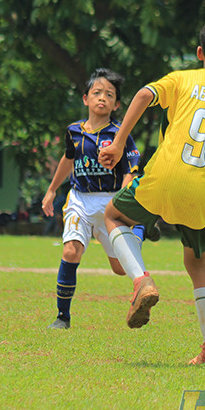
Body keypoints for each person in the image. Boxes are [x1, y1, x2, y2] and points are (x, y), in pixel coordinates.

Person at [99, 17, 205, 366]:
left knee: (112, 215)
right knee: (198, 262)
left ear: (200, 52)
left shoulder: (183, 79)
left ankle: (141, 281)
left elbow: (143, 94)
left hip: (163, 176)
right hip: (202, 190)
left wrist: (120, 142)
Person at [40, 68, 149, 331]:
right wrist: (53, 189)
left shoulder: (120, 133)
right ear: (85, 98)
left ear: (117, 104)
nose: (102, 98)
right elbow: (69, 159)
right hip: (80, 199)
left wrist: (123, 198)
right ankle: (62, 316)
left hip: (111, 204)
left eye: (109, 95)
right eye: (97, 93)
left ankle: (142, 228)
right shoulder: (74, 132)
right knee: (70, 251)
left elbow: (129, 170)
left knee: (120, 269)